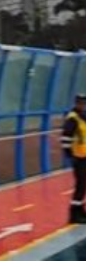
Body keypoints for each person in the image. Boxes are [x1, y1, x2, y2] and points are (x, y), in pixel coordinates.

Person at [62, 93, 86, 224]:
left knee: (83, 185)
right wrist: (69, 154)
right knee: (81, 184)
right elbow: (66, 138)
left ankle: (80, 210)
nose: (83, 105)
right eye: (81, 103)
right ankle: (74, 214)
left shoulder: (83, 118)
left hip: (84, 156)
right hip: (78, 157)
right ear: (76, 103)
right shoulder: (73, 119)